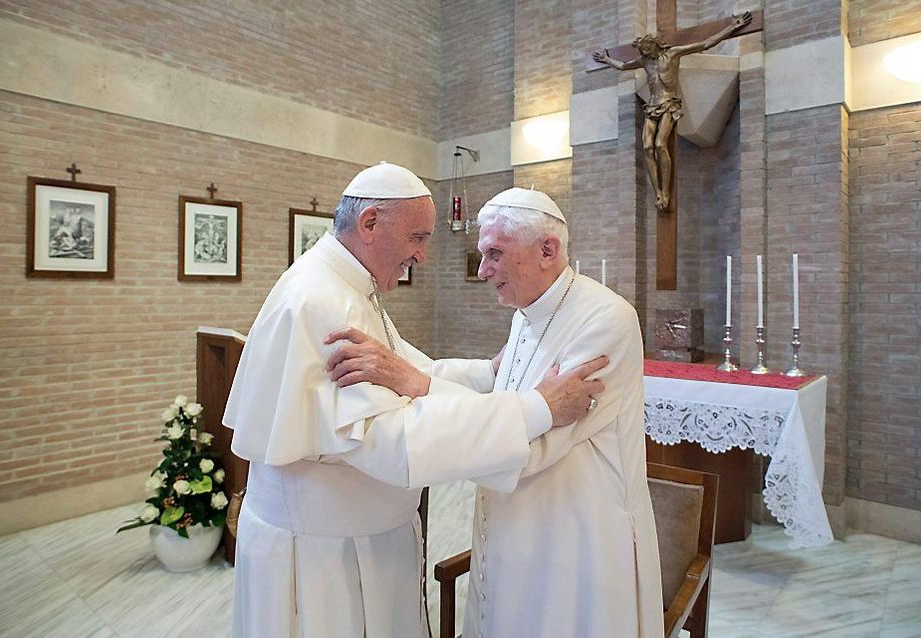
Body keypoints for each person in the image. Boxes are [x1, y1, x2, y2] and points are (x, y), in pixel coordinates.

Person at [222, 163, 607, 638]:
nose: (423, 256)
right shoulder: (323, 302)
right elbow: (391, 442)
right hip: (326, 553)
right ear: (369, 225)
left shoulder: (343, 287)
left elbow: (407, 372)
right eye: (417, 238)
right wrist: (538, 409)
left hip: (352, 536)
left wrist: (486, 375)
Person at [329, 187, 664, 637]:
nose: (483, 270)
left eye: (494, 254)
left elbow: (534, 444)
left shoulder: (604, 319)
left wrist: (417, 384)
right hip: (515, 524)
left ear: (548, 249)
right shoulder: (527, 311)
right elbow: (506, 391)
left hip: (575, 534)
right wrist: (416, 374)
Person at [592, 11, 752, 214]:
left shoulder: (673, 53)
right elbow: (624, 65)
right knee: (647, 147)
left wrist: (732, 27)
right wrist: (607, 59)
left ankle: (665, 193)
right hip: (651, 107)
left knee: (660, 144)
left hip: (669, 104)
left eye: (647, 49)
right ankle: (658, 191)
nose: (645, 54)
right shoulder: (645, 61)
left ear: (655, 45)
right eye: (642, 51)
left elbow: (705, 44)